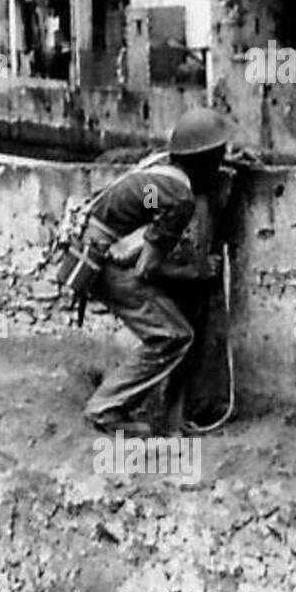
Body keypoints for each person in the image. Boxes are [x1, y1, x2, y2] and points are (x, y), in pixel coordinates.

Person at [78, 108, 230, 435]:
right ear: (206, 160)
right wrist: (196, 270)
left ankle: (134, 404)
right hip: (100, 263)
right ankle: (105, 408)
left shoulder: (163, 169)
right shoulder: (180, 197)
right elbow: (147, 268)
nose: (222, 161)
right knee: (172, 335)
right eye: (219, 155)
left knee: (167, 329)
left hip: (92, 251)